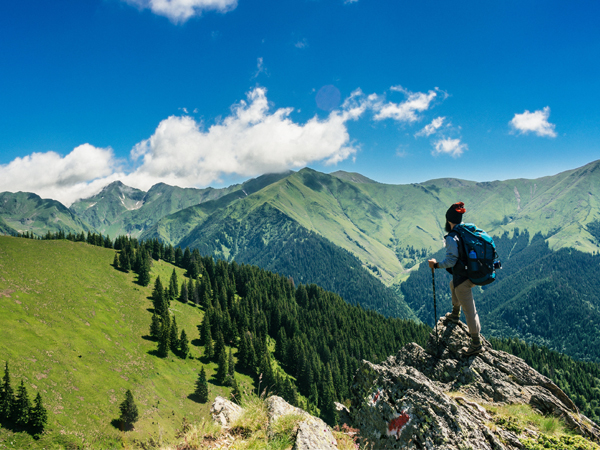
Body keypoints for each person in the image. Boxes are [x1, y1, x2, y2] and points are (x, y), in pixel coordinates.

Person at [428, 202, 483, 356]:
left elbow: (451, 261)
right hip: (472, 271)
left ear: (448, 220)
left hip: (464, 278)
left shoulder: (453, 237)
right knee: (453, 285)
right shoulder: (466, 230)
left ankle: (476, 344)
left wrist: (436, 265)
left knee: (470, 310)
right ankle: (454, 314)